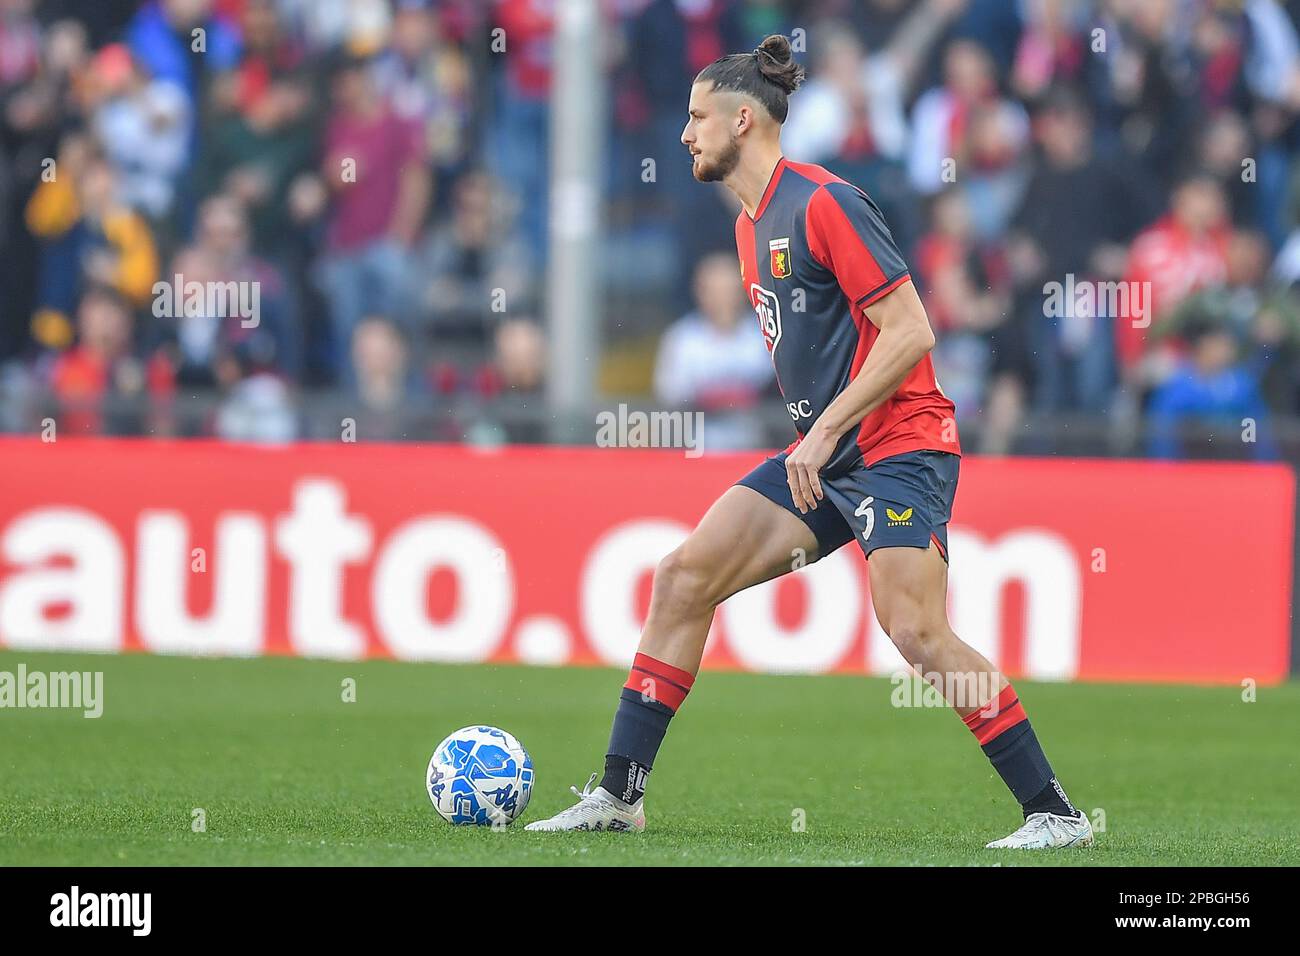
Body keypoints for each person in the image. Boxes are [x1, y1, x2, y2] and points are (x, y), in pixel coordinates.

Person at [525, 35, 1092, 850]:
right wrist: (818, 433)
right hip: (824, 457)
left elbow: (912, 331)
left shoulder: (826, 202)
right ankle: (619, 795)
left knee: (914, 629)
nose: (684, 134)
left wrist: (824, 428)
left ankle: (1055, 813)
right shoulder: (751, 230)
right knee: (684, 578)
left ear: (743, 120)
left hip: (897, 444)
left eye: (696, 117)